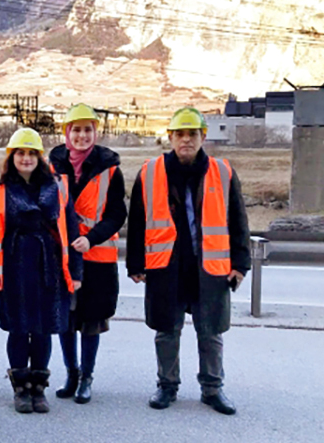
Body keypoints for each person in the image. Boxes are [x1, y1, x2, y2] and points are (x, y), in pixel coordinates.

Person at [127, 107, 250, 415]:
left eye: (192, 134)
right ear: (170, 137)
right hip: (166, 266)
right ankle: (167, 386)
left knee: (210, 331)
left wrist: (240, 264)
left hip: (210, 268)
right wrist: (135, 264)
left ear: (202, 137)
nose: (186, 140)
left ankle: (212, 389)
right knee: (167, 331)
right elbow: (137, 221)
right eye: (180, 134)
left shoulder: (222, 172)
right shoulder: (150, 172)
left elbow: (238, 220)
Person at [0, 128, 83, 414]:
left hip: (49, 267)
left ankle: (38, 388)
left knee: (43, 329)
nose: (26, 158)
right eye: (20, 153)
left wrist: (75, 272)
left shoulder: (58, 187)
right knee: (18, 329)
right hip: (13, 267)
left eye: (31, 153)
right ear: (11, 157)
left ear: (40, 157)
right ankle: (20, 388)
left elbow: (71, 230)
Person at [48, 104, 127, 404]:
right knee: (65, 319)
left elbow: (117, 214)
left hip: (97, 258)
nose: (82, 136)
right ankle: (71, 373)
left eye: (87, 130)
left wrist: (91, 238)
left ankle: (87, 377)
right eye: (76, 130)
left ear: (96, 133)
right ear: (66, 133)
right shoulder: (52, 167)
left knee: (92, 320)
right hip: (63, 257)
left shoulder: (110, 169)